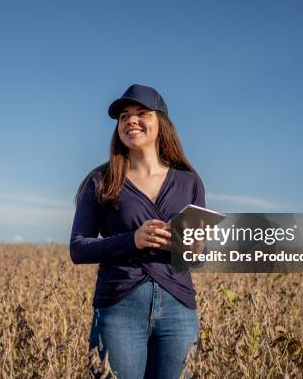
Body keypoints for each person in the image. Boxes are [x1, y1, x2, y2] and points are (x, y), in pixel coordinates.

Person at [70, 84, 206, 379]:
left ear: (161, 123)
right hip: (119, 307)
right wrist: (133, 240)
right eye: (124, 116)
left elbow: (198, 257)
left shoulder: (189, 181)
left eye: (142, 113)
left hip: (179, 309)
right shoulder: (101, 180)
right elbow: (78, 248)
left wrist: (185, 246)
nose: (131, 120)